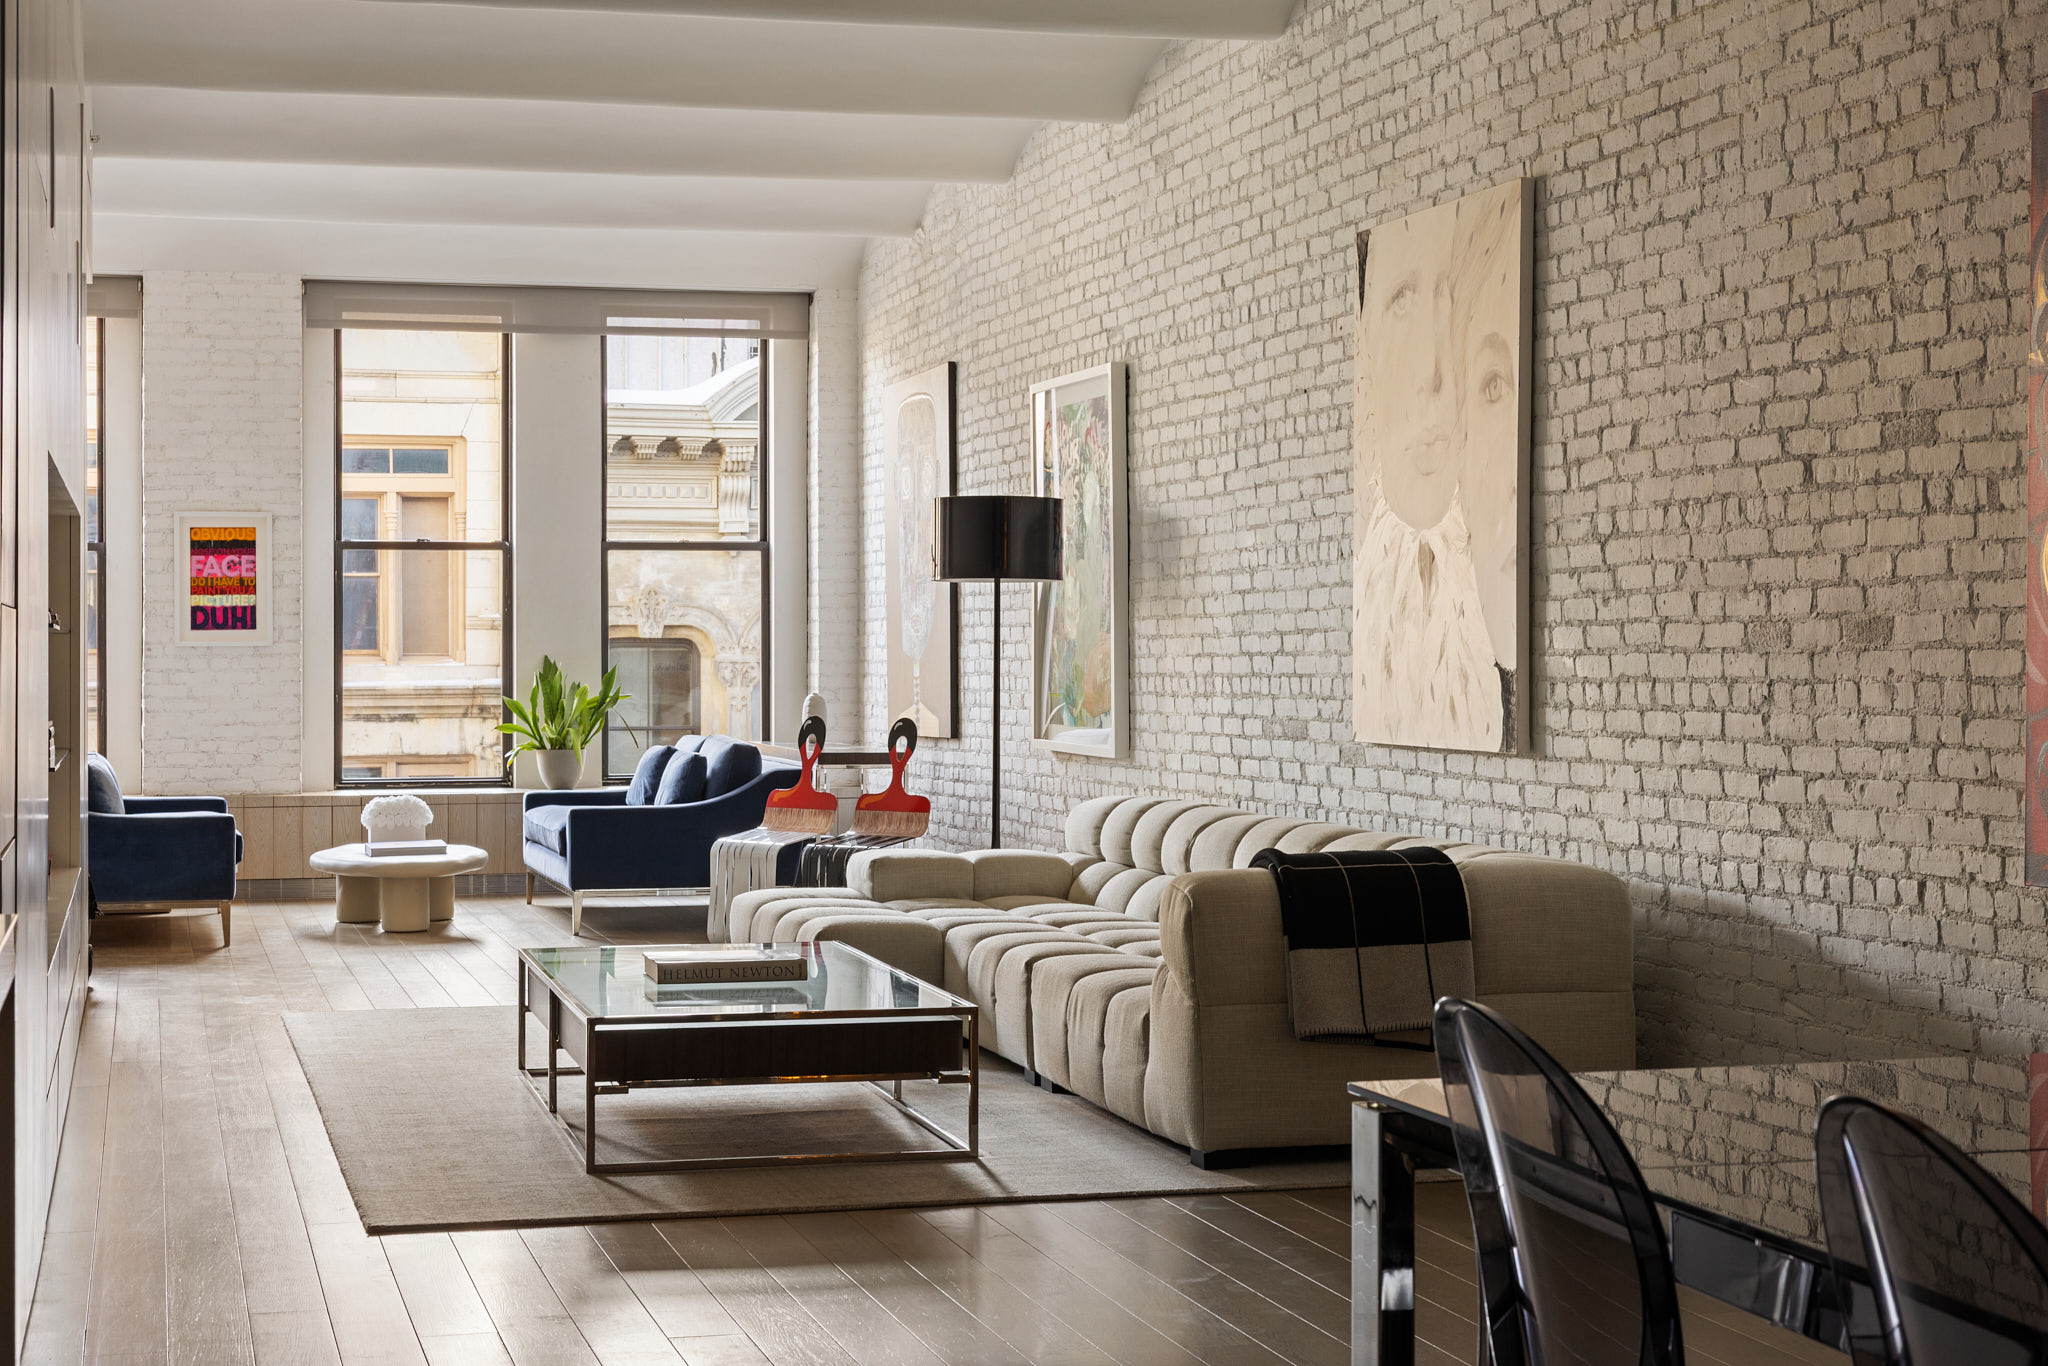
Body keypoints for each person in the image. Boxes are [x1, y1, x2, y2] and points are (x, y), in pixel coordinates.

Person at [1352, 180, 1521, 752]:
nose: (1434, 371)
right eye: (1402, 299)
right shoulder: (1372, 588)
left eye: (1449, 299)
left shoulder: (1486, 626)